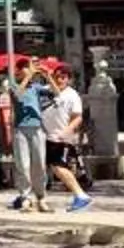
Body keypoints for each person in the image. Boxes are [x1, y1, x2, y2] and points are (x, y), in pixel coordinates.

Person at [40, 59, 92, 212]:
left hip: (59, 136)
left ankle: (80, 195)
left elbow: (77, 117)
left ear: (69, 79)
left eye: (63, 77)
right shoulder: (46, 90)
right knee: (42, 166)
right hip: (42, 135)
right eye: (57, 77)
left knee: (58, 166)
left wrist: (67, 132)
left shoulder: (72, 95)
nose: (59, 80)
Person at [5, 56, 51, 212]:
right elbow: (18, 95)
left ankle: (41, 197)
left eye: (30, 66)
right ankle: (25, 197)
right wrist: (28, 76)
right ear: (19, 70)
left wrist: (48, 76)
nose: (29, 69)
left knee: (39, 164)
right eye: (26, 67)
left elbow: (57, 93)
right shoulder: (13, 85)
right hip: (21, 129)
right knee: (23, 165)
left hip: (37, 128)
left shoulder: (36, 87)